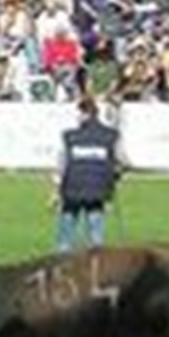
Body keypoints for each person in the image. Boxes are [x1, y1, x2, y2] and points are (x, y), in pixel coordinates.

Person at [52, 93, 121, 251]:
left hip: (71, 190)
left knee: (65, 238)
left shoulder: (70, 136)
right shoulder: (109, 136)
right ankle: (96, 264)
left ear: (83, 113)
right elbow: (120, 162)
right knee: (96, 237)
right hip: (97, 192)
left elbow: (61, 165)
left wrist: (55, 192)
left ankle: (62, 263)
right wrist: (114, 179)